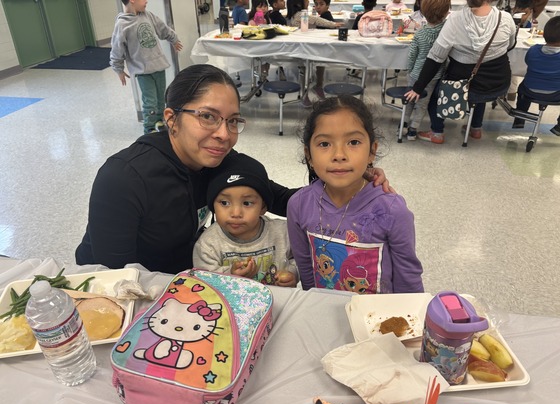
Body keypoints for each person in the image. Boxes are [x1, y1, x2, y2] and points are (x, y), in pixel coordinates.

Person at [76, 64, 391, 274]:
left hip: (186, 278)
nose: (224, 134)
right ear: (171, 118)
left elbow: (284, 200)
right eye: (208, 117)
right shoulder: (123, 179)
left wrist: (351, 180)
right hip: (132, 286)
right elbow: (111, 276)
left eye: (232, 121)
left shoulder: (219, 160)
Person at [287, 95, 424, 294]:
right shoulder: (298, 205)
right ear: (309, 155)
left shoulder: (392, 211)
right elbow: (306, 269)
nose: (339, 154)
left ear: (372, 151)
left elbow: (408, 277)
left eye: (353, 142)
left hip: (377, 320)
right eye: (325, 144)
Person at [404, 0, 517, 144]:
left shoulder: (455, 20)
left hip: (462, 86)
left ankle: (437, 133)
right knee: (479, 90)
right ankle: (476, 128)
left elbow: (436, 57)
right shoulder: (506, 18)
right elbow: (511, 44)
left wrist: (418, 87)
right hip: (498, 84)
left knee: (435, 96)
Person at [193, 153, 298, 287]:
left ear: (263, 207)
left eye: (247, 203)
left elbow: (303, 259)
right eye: (224, 203)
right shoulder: (208, 245)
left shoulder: (284, 233)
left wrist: (292, 273)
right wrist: (230, 274)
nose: (236, 213)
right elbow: (203, 282)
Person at [110, 0, 183, 134]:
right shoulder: (122, 24)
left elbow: (163, 29)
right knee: (150, 102)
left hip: (158, 66)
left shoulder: (148, 15)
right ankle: (149, 129)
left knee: (161, 99)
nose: (146, 1)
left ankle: (159, 122)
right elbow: (116, 48)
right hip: (143, 71)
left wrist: (173, 39)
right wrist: (118, 69)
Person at [403, 0, 450, 141]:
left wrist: (410, 70)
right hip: (434, 76)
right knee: (422, 104)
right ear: (447, 12)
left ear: (422, 11)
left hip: (415, 73)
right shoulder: (445, 32)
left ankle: (403, 123)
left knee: (409, 99)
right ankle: (413, 130)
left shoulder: (420, 34)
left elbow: (412, 56)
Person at [512, 16, 560, 137]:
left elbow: (528, 62)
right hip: (555, 94)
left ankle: (520, 117)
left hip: (529, 91)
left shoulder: (533, 50)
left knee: (522, 88)